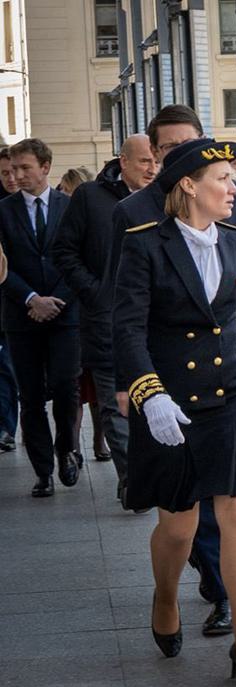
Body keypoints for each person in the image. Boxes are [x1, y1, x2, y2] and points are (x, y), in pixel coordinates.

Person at [108, 104, 236, 640]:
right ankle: (166, 596)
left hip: (232, 392)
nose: (235, 188)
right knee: (179, 524)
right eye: (223, 179)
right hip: (174, 395)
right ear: (190, 187)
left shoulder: (235, 237)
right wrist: (145, 392)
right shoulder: (144, 239)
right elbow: (124, 326)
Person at [54, 135, 157, 505]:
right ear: (123, 161)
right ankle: (132, 479)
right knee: (116, 405)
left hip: (154, 320)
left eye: (155, 160)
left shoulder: (164, 196)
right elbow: (64, 250)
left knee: (151, 399)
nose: (151, 168)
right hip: (105, 320)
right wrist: (94, 291)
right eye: (144, 161)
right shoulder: (89, 197)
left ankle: (148, 473)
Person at [0, 138, 80, 497]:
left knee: (65, 387)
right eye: (13, 169)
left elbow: (80, 259)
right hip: (22, 316)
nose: (16, 176)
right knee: (30, 395)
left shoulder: (71, 207)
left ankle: (66, 450)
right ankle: (43, 471)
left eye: (24, 168)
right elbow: (2, 265)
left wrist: (57, 299)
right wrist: (31, 298)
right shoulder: (3, 210)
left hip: (65, 316)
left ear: (45, 167)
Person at [0, 146, 19, 453]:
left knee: (7, 367)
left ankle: (6, 426)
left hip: (15, 303)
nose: (13, 178)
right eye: (4, 173)